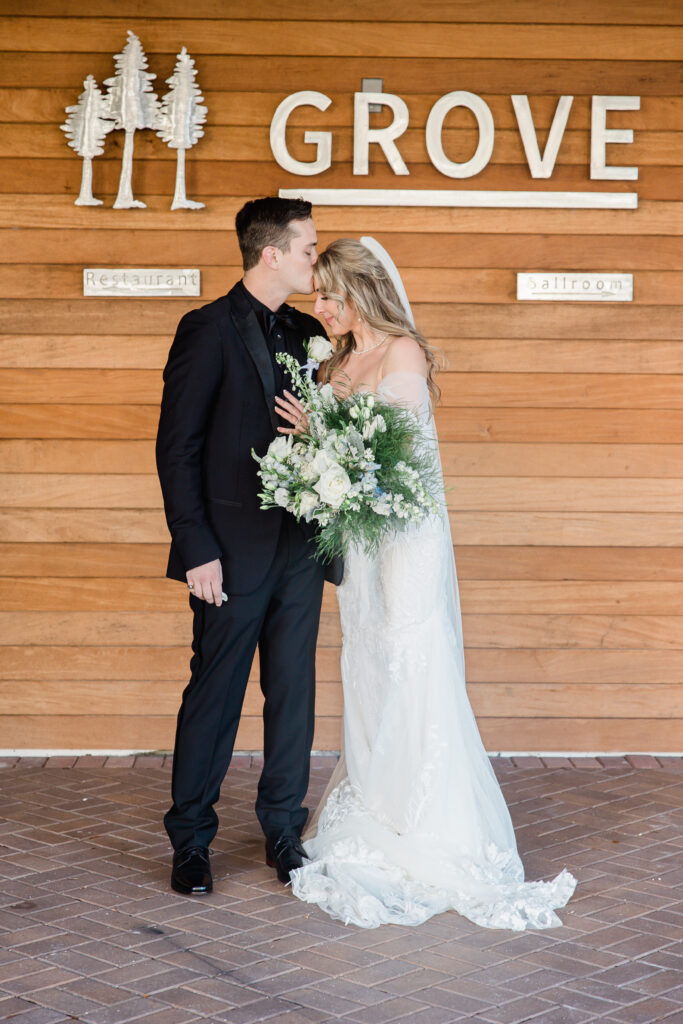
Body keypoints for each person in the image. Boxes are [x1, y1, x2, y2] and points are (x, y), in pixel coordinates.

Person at [275, 238, 577, 929]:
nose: (317, 309)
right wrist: (307, 440)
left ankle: (427, 825)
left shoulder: (401, 352)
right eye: (315, 296)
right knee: (368, 662)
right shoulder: (335, 361)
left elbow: (392, 459)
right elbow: (339, 454)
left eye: (328, 296)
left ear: (359, 292)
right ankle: (376, 804)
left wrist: (324, 446)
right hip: (359, 543)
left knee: (410, 660)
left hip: (403, 543)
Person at [156, 197, 342, 896]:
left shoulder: (307, 330)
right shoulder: (204, 329)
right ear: (270, 252)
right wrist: (196, 548)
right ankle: (192, 842)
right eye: (306, 248)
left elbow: (329, 429)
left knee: (292, 694)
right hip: (227, 553)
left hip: (298, 548)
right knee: (215, 696)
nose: (312, 259)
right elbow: (178, 449)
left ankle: (282, 832)